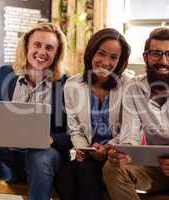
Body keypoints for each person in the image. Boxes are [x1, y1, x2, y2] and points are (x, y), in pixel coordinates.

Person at [102, 27, 169, 200]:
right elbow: (130, 136)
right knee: (112, 167)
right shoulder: (133, 87)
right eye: (156, 54)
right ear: (146, 57)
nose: (163, 61)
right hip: (154, 165)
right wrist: (122, 153)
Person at [0, 22, 72, 200]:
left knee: (39, 156)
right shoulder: (2, 75)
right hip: (7, 158)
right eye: (37, 45)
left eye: (49, 47)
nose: (42, 52)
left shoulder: (66, 84)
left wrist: (51, 139)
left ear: (57, 53)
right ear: (27, 46)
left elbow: (75, 135)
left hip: (45, 158)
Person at [54, 28, 131, 200]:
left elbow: (129, 129)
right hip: (90, 153)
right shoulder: (72, 85)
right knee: (64, 177)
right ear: (91, 53)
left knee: (86, 174)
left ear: (120, 61)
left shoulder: (129, 85)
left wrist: (107, 147)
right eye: (101, 54)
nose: (105, 62)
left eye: (113, 57)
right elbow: (75, 129)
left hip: (116, 155)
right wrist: (83, 148)